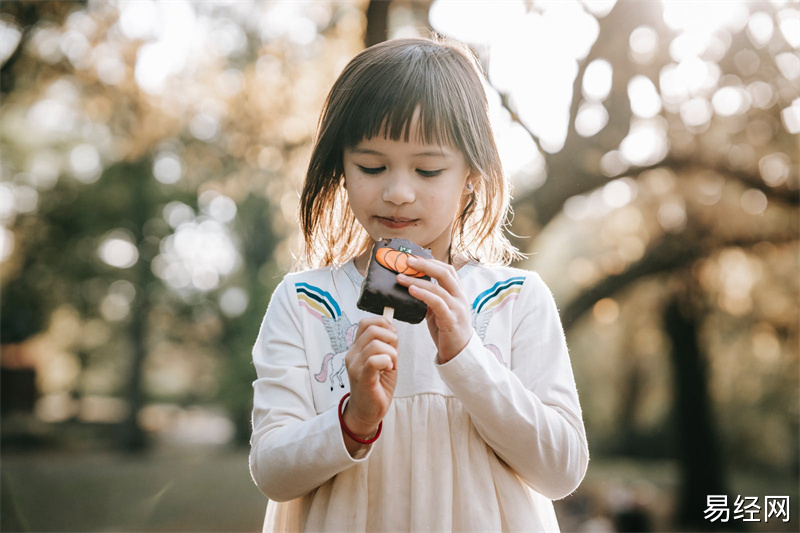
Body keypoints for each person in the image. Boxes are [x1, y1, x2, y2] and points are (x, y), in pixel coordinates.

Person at [249, 35, 589, 532]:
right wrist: (355, 419)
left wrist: (466, 356)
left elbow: (561, 471)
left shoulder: (516, 300)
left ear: (472, 173)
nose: (398, 192)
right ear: (341, 168)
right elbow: (272, 473)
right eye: (371, 166)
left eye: (428, 169)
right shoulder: (306, 302)